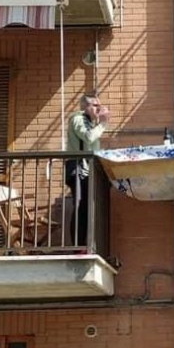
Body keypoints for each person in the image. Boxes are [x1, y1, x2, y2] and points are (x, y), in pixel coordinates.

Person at [66, 92, 109, 246]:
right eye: (95, 105)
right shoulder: (78, 119)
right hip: (78, 169)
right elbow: (88, 137)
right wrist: (103, 124)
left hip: (86, 170)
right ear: (85, 106)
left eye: (99, 105)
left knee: (86, 207)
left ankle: (85, 244)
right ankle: (77, 246)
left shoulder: (91, 123)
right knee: (80, 206)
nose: (99, 108)